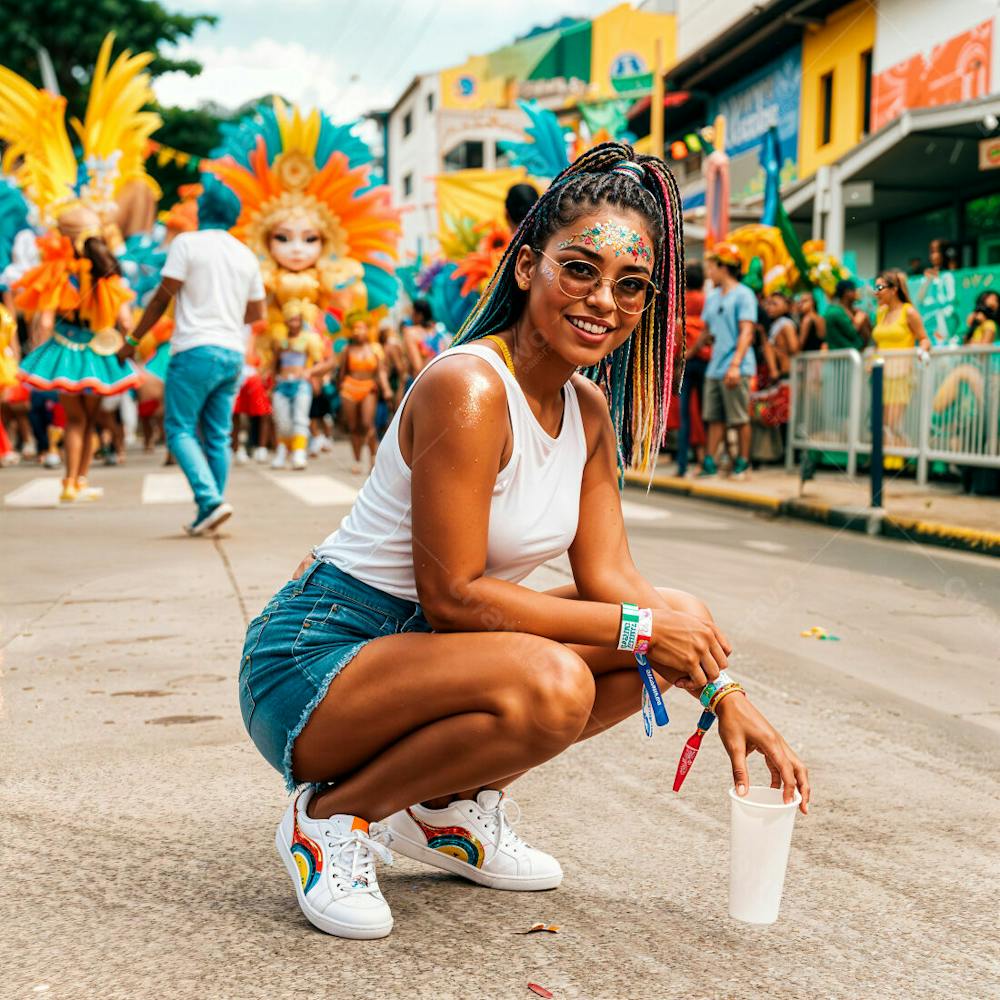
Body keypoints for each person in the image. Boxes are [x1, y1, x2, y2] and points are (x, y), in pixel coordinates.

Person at [237, 144, 809, 941]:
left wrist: (724, 691)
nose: (604, 300)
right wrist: (644, 632)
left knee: (676, 612)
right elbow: (456, 595)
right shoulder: (468, 387)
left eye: (631, 286)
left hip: (433, 658)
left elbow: (614, 578)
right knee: (558, 680)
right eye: (580, 270)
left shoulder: (588, 410)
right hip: (320, 662)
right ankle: (334, 815)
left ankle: (444, 810)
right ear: (527, 266)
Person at [119, 193, 266, 535]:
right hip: (232, 353)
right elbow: (258, 313)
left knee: (180, 429)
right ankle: (209, 507)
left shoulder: (187, 243)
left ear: (202, 211)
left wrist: (132, 341)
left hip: (194, 349)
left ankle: (210, 500)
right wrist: (227, 318)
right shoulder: (245, 254)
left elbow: (161, 297)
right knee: (217, 434)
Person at [16, 206, 141, 501]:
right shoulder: (107, 272)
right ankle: (81, 480)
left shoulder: (57, 272)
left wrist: (40, 352)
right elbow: (125, 321)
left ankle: (69, 483)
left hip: (65, 350)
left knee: (74, 419)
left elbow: (46, 320)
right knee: (90, 419)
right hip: (99, 351)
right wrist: (127, 346)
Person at [698, 242, 757, 480]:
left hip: (737, 367)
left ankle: (743, 463)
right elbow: (707, 331)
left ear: (724, 267)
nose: (709, 272)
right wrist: (687, 353)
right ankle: (710, 464)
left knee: (739, 418)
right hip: (715, 367)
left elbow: (747, 332)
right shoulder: (712, 297)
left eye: (712, 267)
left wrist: (735, 364)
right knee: (714, 417)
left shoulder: (744, 295)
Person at [872, 269, 931, 443]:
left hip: (901, 376)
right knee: (881, 424)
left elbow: (924, 338)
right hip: (880, 376)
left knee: (891, 425)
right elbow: (878, 343)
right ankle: (888, 464)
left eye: (880, 287)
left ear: (894, 289)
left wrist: (922, 351)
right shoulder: (881, 313)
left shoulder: (909, 312)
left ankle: (900, 463)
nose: (876, 292)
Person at [269, 301, 325, 471]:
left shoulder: (310, 339)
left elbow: (319, 362)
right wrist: (271, 382)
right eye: (290, 320)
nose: (294, 323)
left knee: (300, 420)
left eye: (296, 320)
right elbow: (274, 364)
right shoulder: (280, 340)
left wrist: (310, 374)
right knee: (282, 422)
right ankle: (282, 451)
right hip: (282, 384)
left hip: (301, 384)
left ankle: (299, 453)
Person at [336, 316, 392, 474]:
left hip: (368, 388)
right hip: (349, 388)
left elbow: (381, 371)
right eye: (355, 328)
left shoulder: (375, 349)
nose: (358, 331)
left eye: (361, 327)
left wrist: (386, 388)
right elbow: (341, 373)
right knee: (354, 426)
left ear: (368, 329)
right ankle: (356, 460)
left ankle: (374, 458)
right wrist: (340, 389)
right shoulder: (347, 350)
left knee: (368, 424)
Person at [676, 261, 708, 476]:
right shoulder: (706, 300)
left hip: (686, 359)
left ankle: (681, 465)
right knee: (706, 413)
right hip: (705, 359)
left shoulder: (682, 301)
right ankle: (705, 460)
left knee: (685, 415)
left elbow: (677, 329)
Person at [822, 279, 866, 352]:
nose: (856, 293)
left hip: (852, 357)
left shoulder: (851, 311)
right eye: (854, 290)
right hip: (842, 359)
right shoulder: (835, 312)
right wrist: (858, 321)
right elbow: (851, 332)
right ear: (847, 292)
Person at [403, 299, 435, 377]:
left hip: (421, 382)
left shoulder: (410, 332)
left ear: (419, 315)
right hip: (440, 378)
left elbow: (418, 367)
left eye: (412, 313)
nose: (411, 317)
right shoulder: (438, 332)